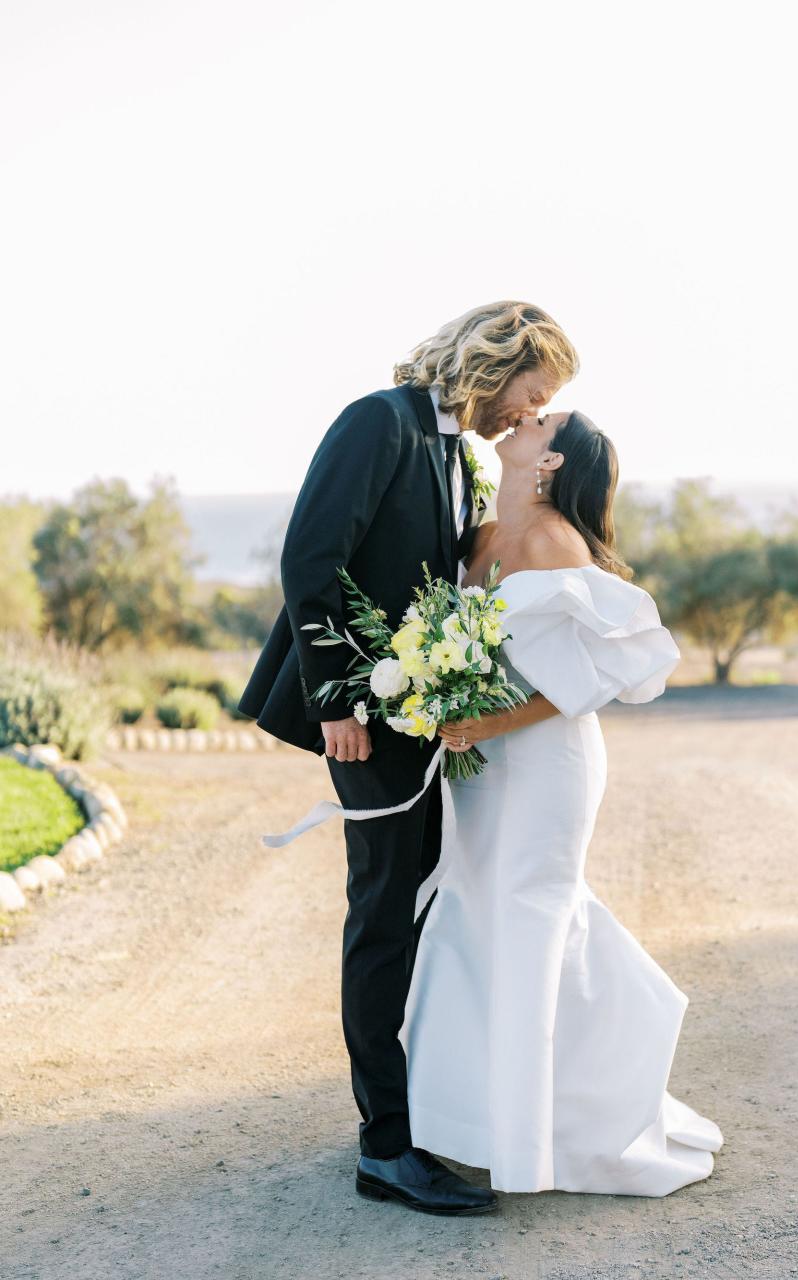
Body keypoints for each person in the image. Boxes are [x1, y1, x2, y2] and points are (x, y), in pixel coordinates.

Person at [238, 301, 578, 1215]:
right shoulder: (377, 422)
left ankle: (415, 1113)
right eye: (533, 392)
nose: (529, 412)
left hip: (411, 716)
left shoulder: (453, 449)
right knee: (387, 906)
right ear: (498, 362)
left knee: (420, 900)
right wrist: (339, 700)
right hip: (359, 712)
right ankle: (385, 1147)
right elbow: (313, 560)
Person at [398, 409, 725, 1194]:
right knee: (476, 913)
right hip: (479, 760)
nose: (524, 415)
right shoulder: (477, 538)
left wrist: (493, 719)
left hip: (546, 758)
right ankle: (470, 1119)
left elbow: (589, 679)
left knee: (533, 916)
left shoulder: (553, 543)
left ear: (547, 463)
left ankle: (550, 1136)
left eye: (543, 419)